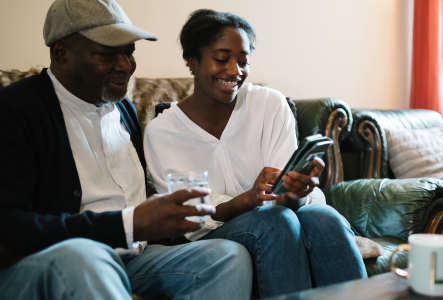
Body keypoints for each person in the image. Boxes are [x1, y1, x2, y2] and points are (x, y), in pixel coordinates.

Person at [0, 1, 253, 299]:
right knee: (84, 257)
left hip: (133, 258)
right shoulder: (15, 110)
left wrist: (169, 213)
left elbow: (132, 199)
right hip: (46, 262)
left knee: (227, 256)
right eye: (107, 54)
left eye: (129, 52)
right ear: (61, 53)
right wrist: (130, 224)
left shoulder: (123, 109)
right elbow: (8, 228)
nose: (125, 65)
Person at [144, 9, 368, 299]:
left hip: (281, 215)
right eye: (222, 58)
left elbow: (288, 200)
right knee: (274, 221)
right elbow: (191, 219)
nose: (235, 70)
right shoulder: (163, 132)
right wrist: (248, 199)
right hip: (214, 234)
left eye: (243, 60)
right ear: (192, 61)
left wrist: (297, 188)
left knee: (324, 218)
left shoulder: (270, 104)